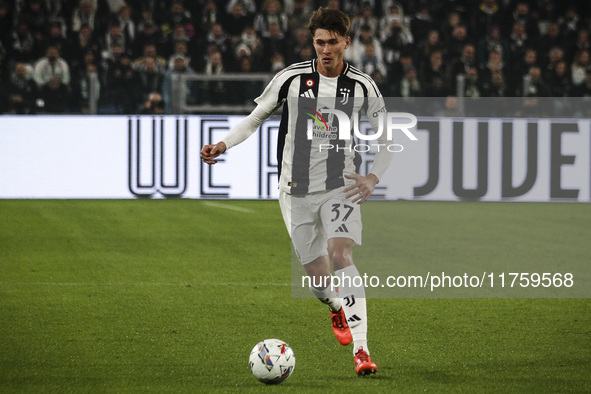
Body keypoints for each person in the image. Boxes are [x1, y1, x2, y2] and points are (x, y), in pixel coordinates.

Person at [201, 7, 394, 377]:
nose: (325, 48)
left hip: (341, 187)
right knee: (320, 282)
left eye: (332, 42)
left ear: (346, 43)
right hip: (294, 192)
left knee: (342, 255)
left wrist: (372, 178)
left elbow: (386, 136)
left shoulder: (363, 86)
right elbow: (255, 118)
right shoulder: (290, 79)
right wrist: (223, 145)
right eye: (319, 41)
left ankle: (362, 349)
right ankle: (336, 306)